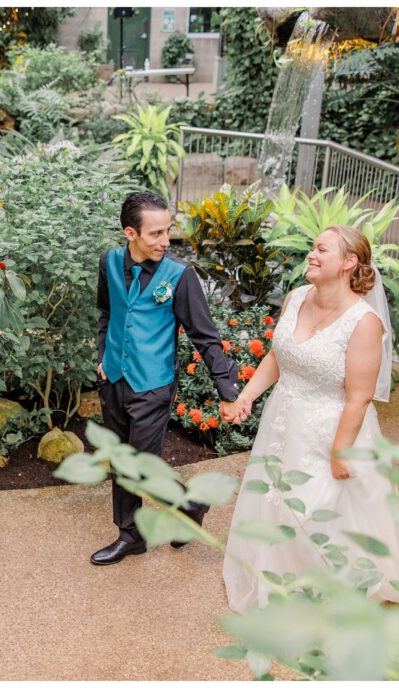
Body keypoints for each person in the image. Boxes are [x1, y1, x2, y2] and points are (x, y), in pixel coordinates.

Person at [222, 225, 399, 610]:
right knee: (279, 503)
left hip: (332, 429)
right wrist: (247, 397)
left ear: (348, 263)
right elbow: (278, 356)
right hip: (284, 420)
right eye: (312, 248)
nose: (312, 255)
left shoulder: (363, 322)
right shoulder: (296, 298)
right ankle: (283, 582)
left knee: (319, 512)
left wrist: (341, 451)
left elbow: (360, 396)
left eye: (322, 249)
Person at [92, 191, 242, 566]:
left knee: (143, 465)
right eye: (155, 234)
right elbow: (106, 313)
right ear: (130, 233)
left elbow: (205, 337)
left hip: (152, 385)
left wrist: (227, 392)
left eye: (168, 231)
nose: (165, 241)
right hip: (113, 380)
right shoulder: (109, 263)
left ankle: (190, 505)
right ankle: (131, 536)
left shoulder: (180, 276)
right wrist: (102, 356)